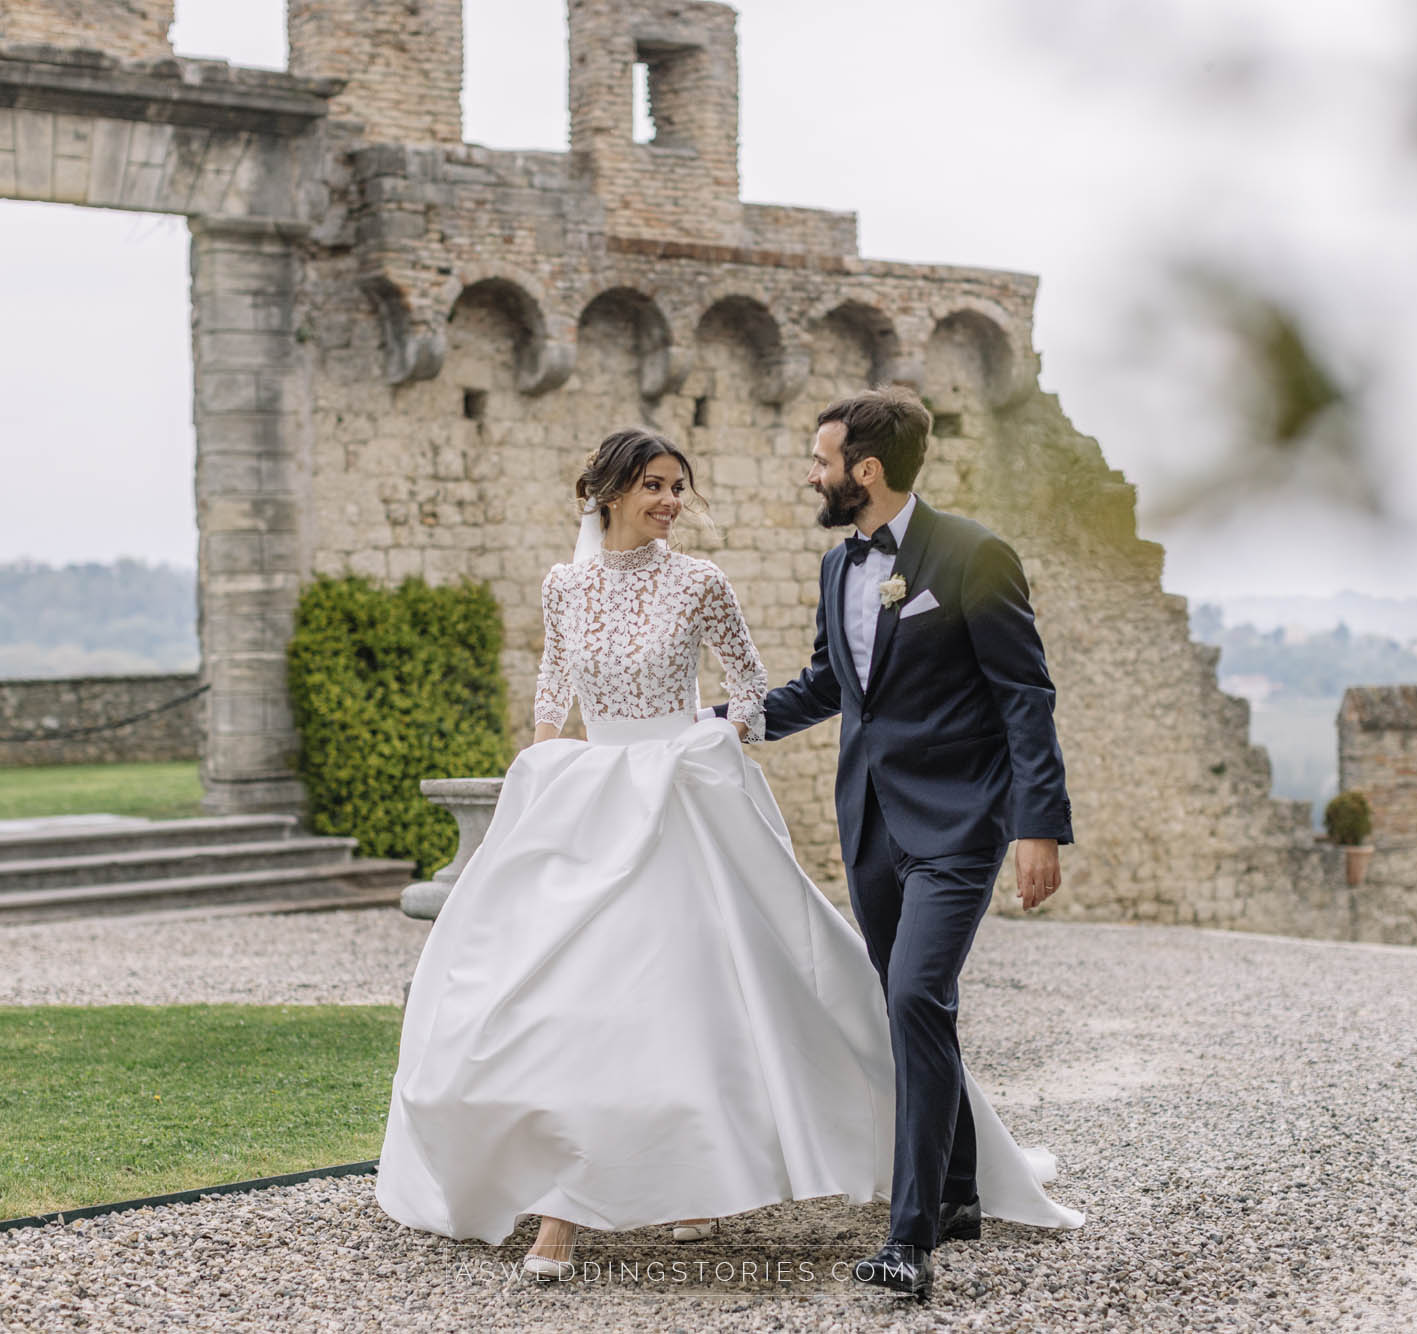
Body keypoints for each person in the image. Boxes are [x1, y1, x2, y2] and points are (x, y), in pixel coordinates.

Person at [375, 427, 1081, 1286]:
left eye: (679, 486)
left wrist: (710, 735)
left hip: (685, 806)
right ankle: (626, 1191)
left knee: (708, 997)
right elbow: (554, 689)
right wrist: (543, 779)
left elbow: (753, 689)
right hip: (589, 803)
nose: (671, 501)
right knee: (564, 997)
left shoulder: (703, 581)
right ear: (609, 492)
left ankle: (913, 1200)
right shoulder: (565, 585)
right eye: (655, 485)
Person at [722, 385, 1075, 1298]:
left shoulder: (972, 554)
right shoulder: (838, 567)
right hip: (871, 822)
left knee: (917, 993)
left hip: (960, 824)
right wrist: (724, 722)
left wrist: (1039, 825)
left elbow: (1024, 697)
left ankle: (908, 1239)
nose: (812, 474)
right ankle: (956, 1191)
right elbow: (828, 686)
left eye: (821, 460)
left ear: (866, 470)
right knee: (912, 1006)